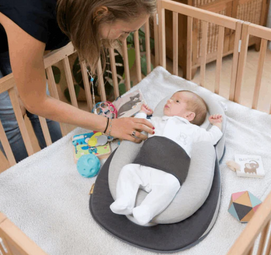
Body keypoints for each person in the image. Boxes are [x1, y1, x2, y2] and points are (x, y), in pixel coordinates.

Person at [0, 0, 156, 162]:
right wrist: (110, 125)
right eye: (125, 32)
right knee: (10, 121)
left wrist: (25, 84)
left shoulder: (75, 12)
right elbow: (36, 102)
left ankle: (58, 160)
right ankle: (27, 175)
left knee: (42, 109)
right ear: (100, 13)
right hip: (18, 21)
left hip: (13, 30)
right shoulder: (32, 15)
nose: (124, 39)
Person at [110, 90, 223, 225]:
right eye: (170, 98)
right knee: (128, 170)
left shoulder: (193, 130)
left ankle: (147, 210)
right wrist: (143, 114)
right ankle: (125, 201)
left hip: (169, 172)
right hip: (145, 164)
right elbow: (140, 126)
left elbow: (210, 139)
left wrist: (217, 124)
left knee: (171, 185)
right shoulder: (156, 121)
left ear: (189, 115)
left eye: (176, 101)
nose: (168, 101)